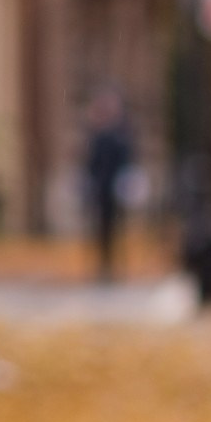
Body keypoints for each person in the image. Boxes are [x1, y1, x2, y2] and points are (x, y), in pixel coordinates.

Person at [81, 89, 134, 283]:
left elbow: (125, 160)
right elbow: (90, 163)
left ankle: (114, 267)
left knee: (115, 229)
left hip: (115, 191)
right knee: (100, 230)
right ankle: (102, 267)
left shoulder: (120, 135)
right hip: (100, 190)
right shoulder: (96, 135)